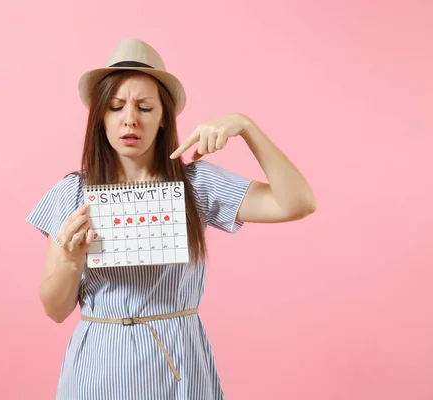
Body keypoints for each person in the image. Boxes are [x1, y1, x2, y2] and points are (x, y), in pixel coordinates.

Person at [25, 39, 316, 399]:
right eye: (116, 107)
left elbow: (298, 203)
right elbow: (54, 310)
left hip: (178, 362)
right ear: (101, 117)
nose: (130, 118)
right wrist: (70, 260)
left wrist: (246, 127)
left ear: (164, 119)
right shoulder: (72, 193)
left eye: (145, 107)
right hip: (98, 364)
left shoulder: (196, 183)